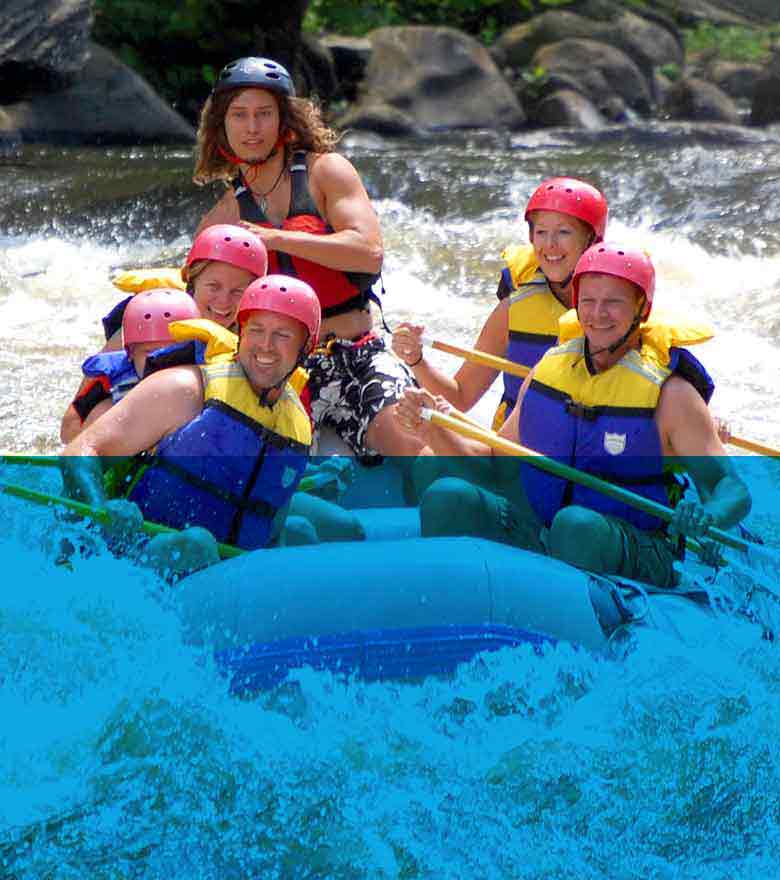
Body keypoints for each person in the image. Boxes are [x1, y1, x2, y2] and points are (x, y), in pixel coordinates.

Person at [396, 243, 752, 587]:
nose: (597, 315)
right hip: (545, 529)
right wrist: (434, 429)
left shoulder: (672, 395)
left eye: (613, 303)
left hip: (634, 544)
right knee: (448, 495)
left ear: (641, 309)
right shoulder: (549, 369)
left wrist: (710, 516)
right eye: (588, 301)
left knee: (575, 526)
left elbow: (731, 486)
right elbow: (496, 464)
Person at [192, 56, 420, 460]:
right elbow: (204, 303)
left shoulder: (326, 172)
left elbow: (369, 253)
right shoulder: (223, 217)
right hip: (277, 370)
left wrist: (276, 239)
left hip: (356, 352)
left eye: (264, 114)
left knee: (409, 443)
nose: (251, 127)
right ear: (221, 127)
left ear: (284, 120)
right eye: (239, 115)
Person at [60, 275, 321, 576]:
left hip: (226, 575)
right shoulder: (185, 387)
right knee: (196, 544)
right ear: (240, 334)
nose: (265, 345)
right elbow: (79, 452)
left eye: (283, 335)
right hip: (137, 554)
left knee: (301, 533)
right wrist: (101, 510)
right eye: (256, 330)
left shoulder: (297, 426)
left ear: (306, 348)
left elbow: (270, 529)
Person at [392, 176, 608, 430]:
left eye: (563, 232)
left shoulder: (615, 314)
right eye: (541, 232)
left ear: (591, 239)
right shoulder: (513, 310)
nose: (550, 245)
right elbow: (460, 396)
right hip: (517, 443)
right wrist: (417, 360)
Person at [60, 224, 269, 443]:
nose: (224, 301)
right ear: (191, 280)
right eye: (213, 286)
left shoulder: (257, 341)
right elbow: (71, 426)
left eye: (238, 291)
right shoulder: (147, 320)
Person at [60, 288, 201, 443]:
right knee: (102, 411)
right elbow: (69, 432)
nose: (161, 361)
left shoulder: (205, 377)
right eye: (150, 353)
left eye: (173, 353)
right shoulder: (114, 379)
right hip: (120, 444)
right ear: (131, 353)